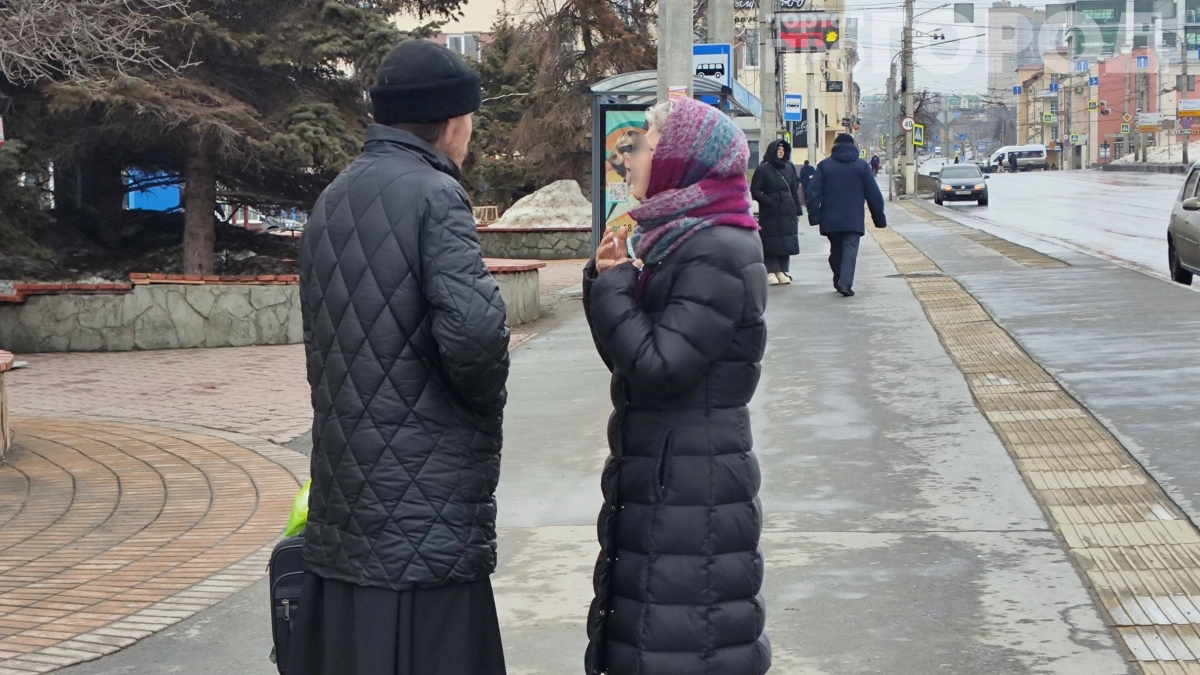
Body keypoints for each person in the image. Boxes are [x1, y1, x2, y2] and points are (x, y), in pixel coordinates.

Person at [292, 39, 510, 675]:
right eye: (469, 118)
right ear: (449, 122)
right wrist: (480, 401)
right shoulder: (436, 197)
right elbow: (474, 340)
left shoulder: (333, 198)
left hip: (347, 490)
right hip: (427, 499)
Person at [582, 97, 771, 675]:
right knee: (655, 634)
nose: (632, 154)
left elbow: (661, 366)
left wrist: (614, 286)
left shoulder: (714, 248)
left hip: (690, 483)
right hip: (670, 472)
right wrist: (609, 278)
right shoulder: (678, 240)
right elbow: (629, 358)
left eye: (645, 144)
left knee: (686, 640)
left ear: (678, 162)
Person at [806, 132, 887, 297]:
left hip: (831, 219)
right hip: (853, 219)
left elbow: (813, 193)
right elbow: (874, 195)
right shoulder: (862, 166)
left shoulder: (824, 166)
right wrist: (879, 219)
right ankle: (845, 283)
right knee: (850, 251)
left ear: (835, 147)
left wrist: (814, 216)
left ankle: (840, 280)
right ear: (853, 147)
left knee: (836, 250)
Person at [751, 139, 802, 285]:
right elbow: (755, 190)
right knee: (771, 241)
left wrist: (797, 210)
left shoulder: (789, 167)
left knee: (785, 241)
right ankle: (770, 271)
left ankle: (782, 270)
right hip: (770, 212)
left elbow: (793, 190)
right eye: (778, 149)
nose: (781, 151)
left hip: (787, 210)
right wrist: (769, 202)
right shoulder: (763, 168)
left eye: (783, 149)